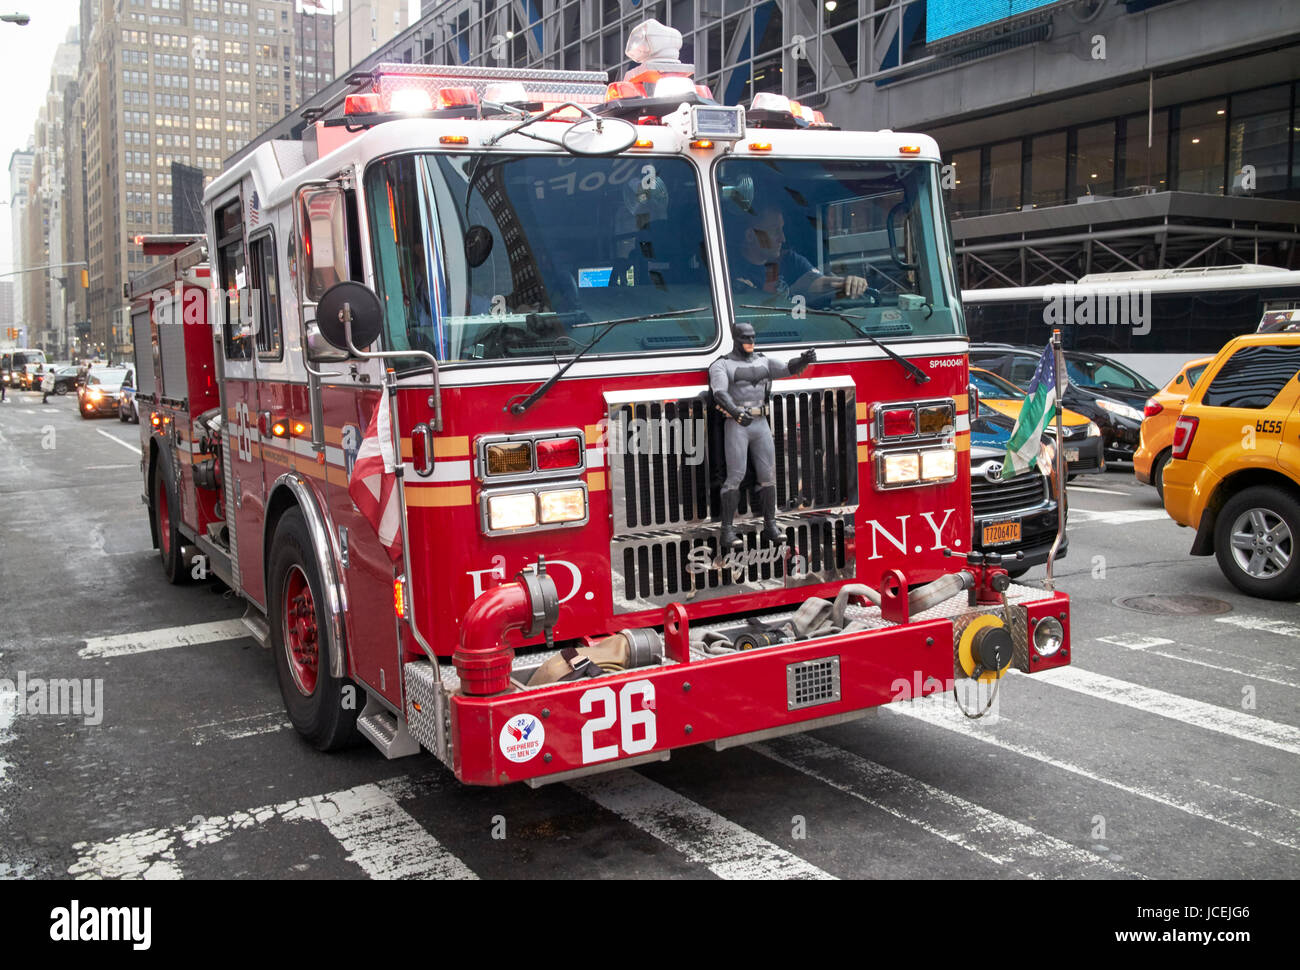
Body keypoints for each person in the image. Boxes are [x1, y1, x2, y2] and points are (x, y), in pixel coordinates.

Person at [709, 321, 816, 548]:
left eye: (752, 337)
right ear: (735, 339)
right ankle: (727, 530)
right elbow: (719, 393)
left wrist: (804, 359)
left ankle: (770, 524)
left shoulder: (763, 360)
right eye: (745, 338)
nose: (749, 341)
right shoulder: (722, 365)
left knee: (768, 475)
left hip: (760, 422)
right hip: (737, 422)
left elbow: (789, 367)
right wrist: (736, 412)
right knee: (735, 476)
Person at [730, 204, 870, 305]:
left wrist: (846, 282)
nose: (782, 238)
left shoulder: (790, 260)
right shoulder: (726, 269)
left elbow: (817, 282)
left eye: (782, 229)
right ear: (750, 236)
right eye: (774, 231)